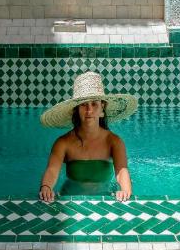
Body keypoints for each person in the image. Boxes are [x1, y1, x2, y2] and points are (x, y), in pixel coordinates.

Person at [38, 71, 137, 201]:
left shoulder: (114, 141)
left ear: (102, 107)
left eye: (94, 104)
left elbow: (122, 171)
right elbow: (52, 170)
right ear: (77, 109)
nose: (89, 110)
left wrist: (125, 190)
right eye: (84, 104)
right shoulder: (63, 143)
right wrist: (46, 187)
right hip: (70, 200)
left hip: (105, 199)